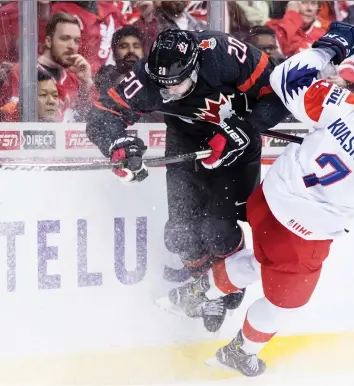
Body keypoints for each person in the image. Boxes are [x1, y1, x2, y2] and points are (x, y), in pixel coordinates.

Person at [176, 22, 354, 377]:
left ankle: (195, 293)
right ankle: (239, 353)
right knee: (282, 304)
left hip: (267, 201)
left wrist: (326, 49)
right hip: (302, 234)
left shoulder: (341, 103)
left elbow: (284, 78)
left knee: (259, 260)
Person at [85, 29, 289, 332]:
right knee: (180, 235)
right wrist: (117, 144)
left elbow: (278, 94)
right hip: (185, 142)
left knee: (218, 230)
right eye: (161, 87)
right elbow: (102, 115)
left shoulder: (223, 54)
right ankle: (203, 285)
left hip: (237, 143)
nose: (167, 94)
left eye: (177, 85)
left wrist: (246, 128)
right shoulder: (147, 76)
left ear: (195, 66)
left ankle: (224, 282)